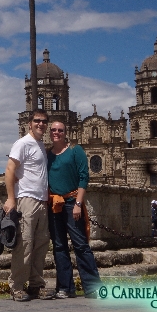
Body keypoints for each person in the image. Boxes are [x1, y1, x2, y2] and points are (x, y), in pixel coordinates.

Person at [4, 109, 55, 302]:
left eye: (44, 121)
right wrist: (11, 198)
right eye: (37, 121)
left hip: (42, 201)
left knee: (40, 245)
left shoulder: (40, 144)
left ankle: (36, 285)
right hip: (27, 200)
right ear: (29, 123)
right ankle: (16, 286)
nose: (41, 124)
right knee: (24, 245)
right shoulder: (23, 143)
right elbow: (10, 169)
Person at [47, 120, 101, 299]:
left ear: (65, 132)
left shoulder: (75, 150)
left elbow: (84, 177)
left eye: (60, 130)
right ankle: (65, 287)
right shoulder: (47, 154)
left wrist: (78, 203)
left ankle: (93, 287)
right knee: (59, 246)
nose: (56, 133)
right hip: (55, 204)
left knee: (80, 244)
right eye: (53, 130)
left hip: (71, 203)